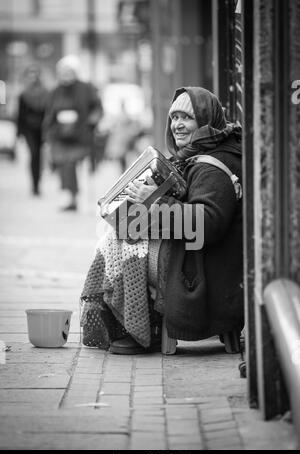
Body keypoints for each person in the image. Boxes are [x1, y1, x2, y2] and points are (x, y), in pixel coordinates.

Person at [80, 86, 244, 354]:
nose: (177, 125)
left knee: (127, 241)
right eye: (174, 118)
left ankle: (141, 329)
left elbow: (207, 225)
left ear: (204, 120)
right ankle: (143, 325)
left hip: (206, 269)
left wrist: (155, 202)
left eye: (186, 118)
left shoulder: (211, 167)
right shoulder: (201, 154)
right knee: (121, 232)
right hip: (199, 256)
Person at [43, 55, 103, 211]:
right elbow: (49, 113)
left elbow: (97, 108)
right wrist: (48, 132)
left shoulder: (86, 88)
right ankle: (70, 196)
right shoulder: (55, 91)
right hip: (60, 136)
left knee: (71, 164)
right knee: (63, 165)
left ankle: (74, 196)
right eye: (63, 71)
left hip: (80, 135)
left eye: (69, 71)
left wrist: (91, 122)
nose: (65, 75)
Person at [16, 64, 48, 195]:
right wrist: (19, 133)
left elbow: (48, 112)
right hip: (29, 129)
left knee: (39, 156)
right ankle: (34, 184)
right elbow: (20, 116)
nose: (33, 76)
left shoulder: (45, 93)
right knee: (34, 154)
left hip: (42, 129)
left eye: (35, 73)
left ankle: (38, 180)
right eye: (30, 73)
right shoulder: (23, 94)